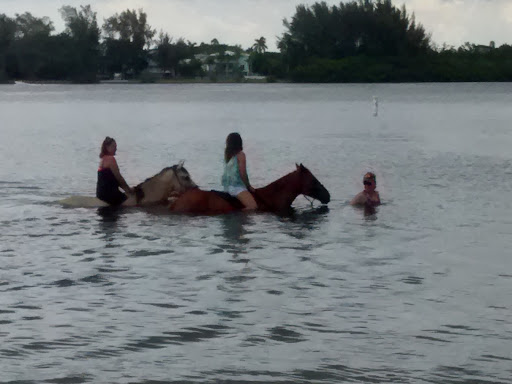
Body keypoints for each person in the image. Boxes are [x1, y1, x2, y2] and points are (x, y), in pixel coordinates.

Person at [221, 132, 258, 210]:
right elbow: (243, 174)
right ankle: (239, 219)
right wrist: (248, 186)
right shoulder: (241, 155)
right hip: (237, 188)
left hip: (226, 187)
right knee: (253, 207)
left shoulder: (227, 155)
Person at [96, 137, 133, 205]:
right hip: (109, 195)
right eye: (113, 146)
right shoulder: (111, 159)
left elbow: (114, 180)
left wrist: (126, 190)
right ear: (107, 147)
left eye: (116, 146)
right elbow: (119, 178)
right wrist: (129, 190)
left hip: (100, 194)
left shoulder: (102, 159)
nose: (115, 149)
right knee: (133, 206)